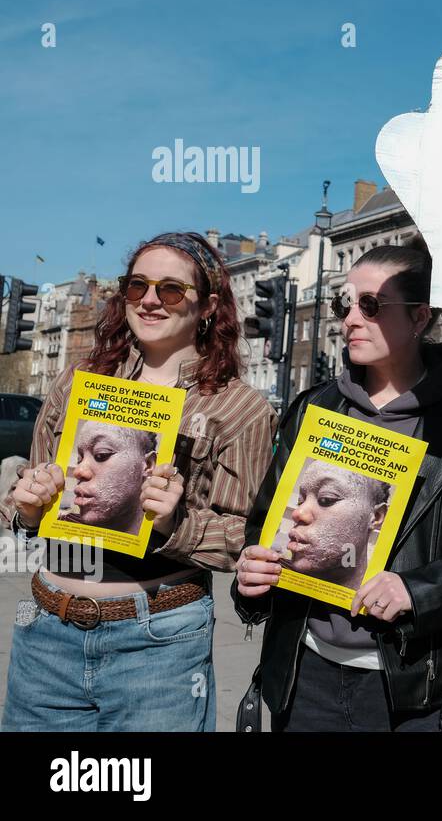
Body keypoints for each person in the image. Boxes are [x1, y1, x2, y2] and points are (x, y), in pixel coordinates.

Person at [234, 241, 442, 732]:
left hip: (420, 690)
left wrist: (417, 591)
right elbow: (265, 524)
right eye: (345, 304)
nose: (350, 318)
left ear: (419, 316)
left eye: (371, 305)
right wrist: (252, 573)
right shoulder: (313, 408)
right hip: (305, 676)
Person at [1, 231, 277, 731]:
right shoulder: (79, 379)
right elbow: (23, 496)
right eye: (137, 286)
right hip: (47, 629)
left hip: (156, 642)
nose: (150, 300)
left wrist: (174, 522)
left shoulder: (240, 408)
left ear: (208, 305)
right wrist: (26, 507)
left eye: (171, 290)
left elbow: (249, 541)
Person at [276, 459, 391, 591]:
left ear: (376, 517)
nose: (298, 513)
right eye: (300, 501)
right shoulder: (272, 576)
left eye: (326, 499)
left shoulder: (382, 603)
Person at [59, 422, 158, 535]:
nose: (78, 471)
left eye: (101, 455)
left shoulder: (163, 541)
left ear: (148, 464)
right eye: (79, 459)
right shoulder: (62, 525)